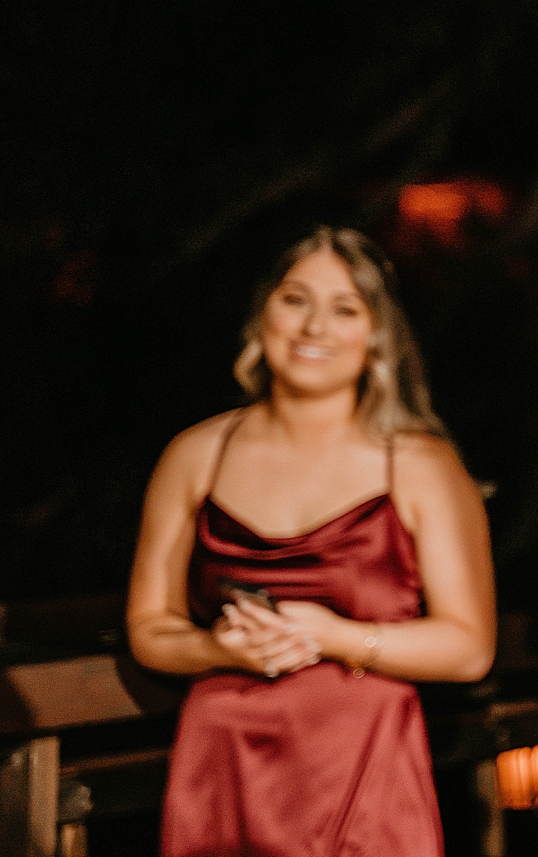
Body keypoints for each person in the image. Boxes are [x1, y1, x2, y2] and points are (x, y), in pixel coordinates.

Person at [127, 226, 496, 857]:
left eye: (345, 309)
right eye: (295, 299)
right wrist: (216, 648)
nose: (314, 327)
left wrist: (334, 636)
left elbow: (470, 649)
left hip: (361, 774)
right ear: (263, 313)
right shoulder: (194, 455)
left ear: (376, 334)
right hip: (221, 765)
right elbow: (148, 628)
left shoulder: (419, 465)